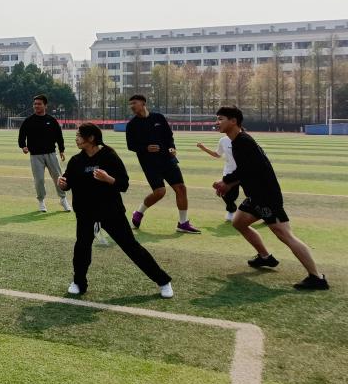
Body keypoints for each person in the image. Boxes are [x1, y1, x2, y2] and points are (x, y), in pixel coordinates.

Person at [211, 106, 330, 290]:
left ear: (233, 121)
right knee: (239, 223)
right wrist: (228, 183)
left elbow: (249, 170)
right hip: (256, 195)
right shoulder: (239, 141)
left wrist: (226, 182)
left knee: (284, 234)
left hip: (266, 196)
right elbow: (247, 170)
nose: (217, 122)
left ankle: (317, 277)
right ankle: (265, 257)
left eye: (220, 119)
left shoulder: (243, 142)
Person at [57, 123, 174, 298]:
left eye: (79, 136)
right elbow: (68, 182)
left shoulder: (109, 156)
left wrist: (108, 179)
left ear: (91, 138)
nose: (77, 139)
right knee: (81, 248)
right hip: (86, 213)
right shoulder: (76, 160)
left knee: (131, 247)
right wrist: (63, 183)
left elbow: (123, 184)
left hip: (111, 212)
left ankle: (163, 281)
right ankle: (78, 282)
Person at [125, 94, 200, 233]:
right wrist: (146, 148)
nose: (132, 106)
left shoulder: (158, 117)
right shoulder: (132, 125)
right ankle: (139, 212)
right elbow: (131, 145)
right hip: (149, 163)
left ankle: (183, 223)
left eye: (134, 103)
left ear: (143, 103)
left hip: (167, 159)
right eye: (130, 104)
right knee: (160, 192)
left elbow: (168, 136)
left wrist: (172, 147)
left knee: (181, 188)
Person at [18, 94, 71, 212]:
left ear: (45, 105)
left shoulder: (52, 120)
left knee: (58, 177)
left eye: (39, 104)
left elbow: (59, 136)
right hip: (35, 155)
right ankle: (41, 201)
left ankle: (63, 199)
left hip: (51, 154)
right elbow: (22, 135)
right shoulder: (28, 121)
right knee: (39, 180)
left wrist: (61, 150)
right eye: (35, 104)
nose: (36, 106)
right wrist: (23, 146)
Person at [197, 135, 238, 222]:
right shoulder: (223, 140)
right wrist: (204, 148)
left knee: (253, 194)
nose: (218, 127)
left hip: (245, 172)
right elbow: (217, 154)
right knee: (224, 192)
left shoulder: (244, 139)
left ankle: (265, 213)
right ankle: (231, 210)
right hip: (229, 172)